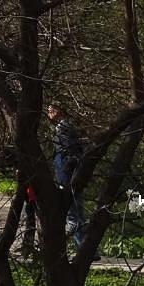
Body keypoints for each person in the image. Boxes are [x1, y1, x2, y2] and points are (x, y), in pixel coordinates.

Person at [47, 102, 88, 250]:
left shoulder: (63, 128)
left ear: (60, 111)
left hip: (66, 175)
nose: (49, 111)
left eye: (52, 109)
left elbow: (70, 153)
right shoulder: (64, 127)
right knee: (76, 211)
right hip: (67, 174)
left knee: (73, 213)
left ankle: (83, 247)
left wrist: (68, 172)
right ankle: (85, 247)